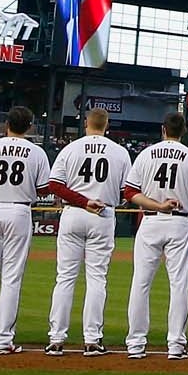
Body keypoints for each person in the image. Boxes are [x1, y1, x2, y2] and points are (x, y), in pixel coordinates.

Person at [41, 108, 129, 356]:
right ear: (106, 124)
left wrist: (81, 201)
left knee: (65, 278)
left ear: (86, 123)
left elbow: (54, 185)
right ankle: (92, 340)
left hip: (73, 214)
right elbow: (127, 190)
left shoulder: (71, 148)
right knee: (97, 278)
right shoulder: (119, 152)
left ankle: (56, 339)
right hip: (102, 214)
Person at [123, 110, 188, 360]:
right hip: (179, 223)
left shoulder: (146, 154)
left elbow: (129, 192)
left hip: (149, 221)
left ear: (163, 129)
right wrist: (179, 198)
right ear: (184, 132)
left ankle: (136, 344)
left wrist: (156, 204)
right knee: (179, 283)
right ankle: (175, 345)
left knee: (141, 282)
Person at [0, 106, 48, 355]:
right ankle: (3, 340)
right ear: (30, 126)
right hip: (19, 211)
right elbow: (44, 189)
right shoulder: (36, 152)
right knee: (11, 278)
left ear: (6, 125)